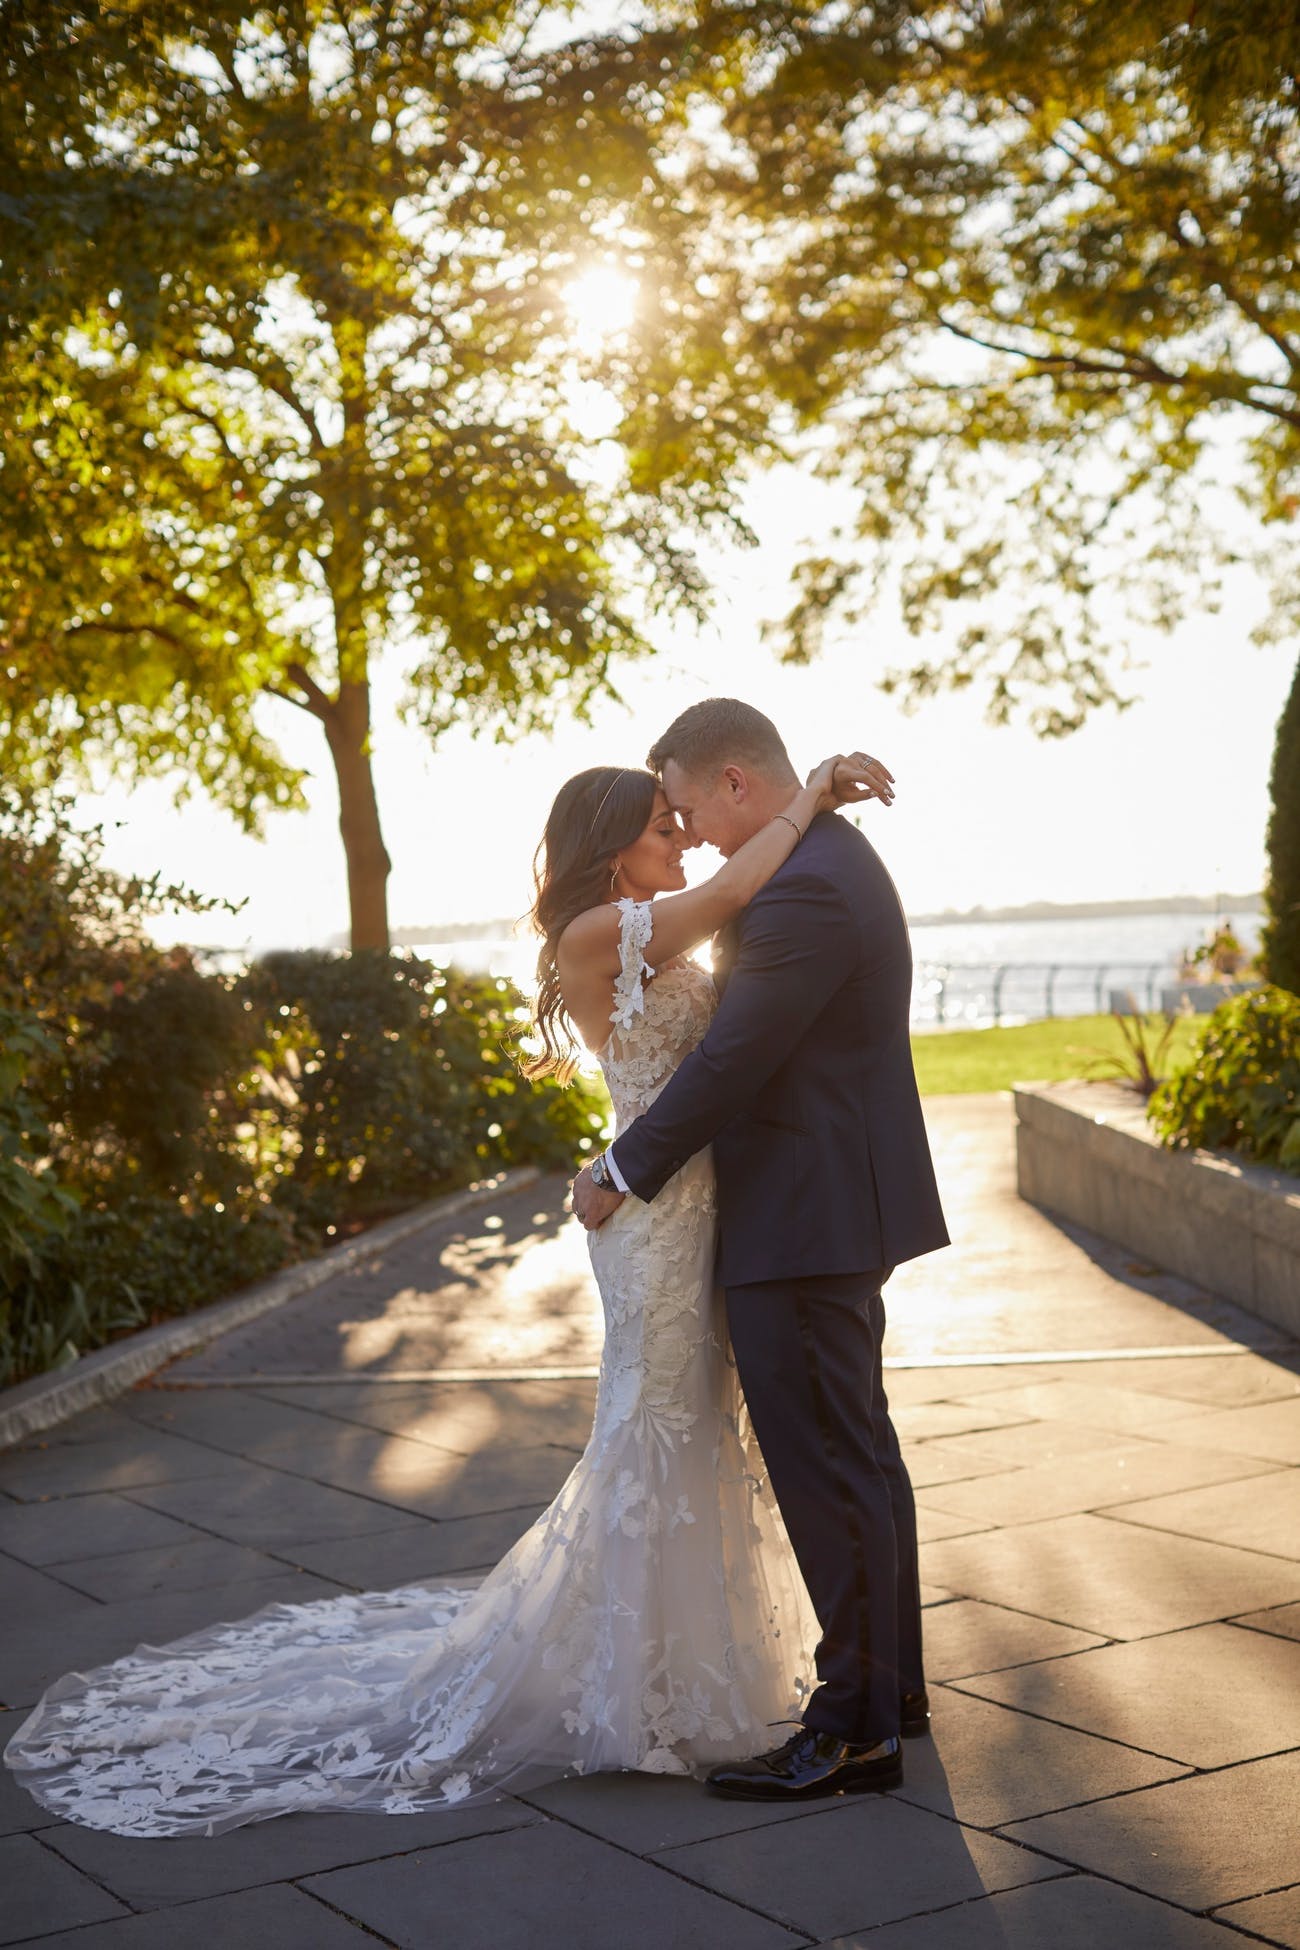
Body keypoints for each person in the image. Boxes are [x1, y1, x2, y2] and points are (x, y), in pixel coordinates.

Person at [2, 738, 889, 1836]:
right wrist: (809, 796)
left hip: (702, 1213)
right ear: (613, 851)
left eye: (677, 823)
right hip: (655, 1224)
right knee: (656, 1431)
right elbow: (740, 885)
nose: (679, 837)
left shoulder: (640, 926)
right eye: (660, 827)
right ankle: (637, 1691)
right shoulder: (598, 931)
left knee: (700, 1430)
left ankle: (695, 1671)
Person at [572, 697, 949, 1802]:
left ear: (735, 781)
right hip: (819, 1205)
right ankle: (891, 1699)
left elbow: (730, 1060)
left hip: (801, 1214)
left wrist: (620, 1169)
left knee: (831, 1468)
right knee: (859, 1459)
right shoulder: (823, 860)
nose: (690, 832)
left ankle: (851, 1733)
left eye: (689, 806)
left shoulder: (805, 887)